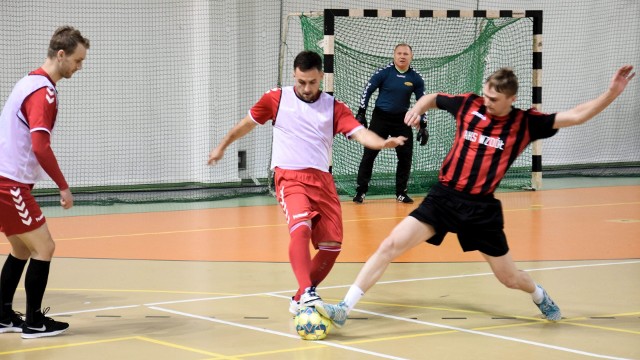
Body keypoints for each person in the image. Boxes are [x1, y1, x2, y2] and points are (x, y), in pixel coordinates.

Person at [317, 65, 636, 327]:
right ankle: (345, 307)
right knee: (390, 245)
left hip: (480, 209)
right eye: (485, 94)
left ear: (510, 98)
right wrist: (416, 109)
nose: (486, 102)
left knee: (509, 278)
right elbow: (432, 97)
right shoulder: (469, 104)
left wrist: (611, 93)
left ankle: (539, 294)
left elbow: (576, 115)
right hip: (442, 197)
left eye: (494, 99)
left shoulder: (524, 123)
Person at [208, 51, 407, 315]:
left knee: (332, 246)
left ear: (321, 78)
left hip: (322, 181)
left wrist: (381, 143)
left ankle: (300, 296)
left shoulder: (334, 107)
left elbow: (359, 132)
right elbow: (246, 125)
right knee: (300, 228)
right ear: (294, 75)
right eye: (301, 82)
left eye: (312, 82)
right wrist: (222, 146)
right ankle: (309, 293)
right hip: (290, 176)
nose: (306, 88)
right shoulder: (276, 99)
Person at [0, 26, 89, 339]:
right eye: (77, 61)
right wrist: (63, 185)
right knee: (45, 246)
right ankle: (34, 322)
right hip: (9, 184)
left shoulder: (29, 80)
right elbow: (40, 146)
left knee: (22, 249)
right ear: (61, 55)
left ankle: (3, 314)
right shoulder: (44, 91)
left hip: (7, 180)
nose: (79, 67)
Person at [353, 43, 427, 205]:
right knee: (369, 154)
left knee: (405, 157)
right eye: (399, 53)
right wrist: (361, 112)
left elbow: (423, 101)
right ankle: (361, 191)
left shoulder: (416, 77)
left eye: (405, 54)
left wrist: (423, 124)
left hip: (403, 120)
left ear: (411, 57)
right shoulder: (384, 73)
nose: (402, 56)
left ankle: (401, 193)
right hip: (381, 118)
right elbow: (368, 89)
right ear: (394, 56)